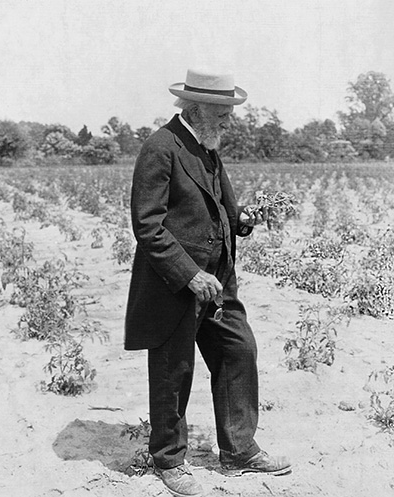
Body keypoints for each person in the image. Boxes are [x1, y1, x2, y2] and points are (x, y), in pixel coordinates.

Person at [124, 68, 291, 497]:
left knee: (239, 349)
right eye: (222, 114)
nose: (228, 122)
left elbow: (223, 209)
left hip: (218, 280)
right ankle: (169, 459)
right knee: (173, 370)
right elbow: (148, 226)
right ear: (196, 109)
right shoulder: (161, 148)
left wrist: (243, 220)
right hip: (175, 283)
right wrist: (189, 274)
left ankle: (238, 452)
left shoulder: (207, 147)